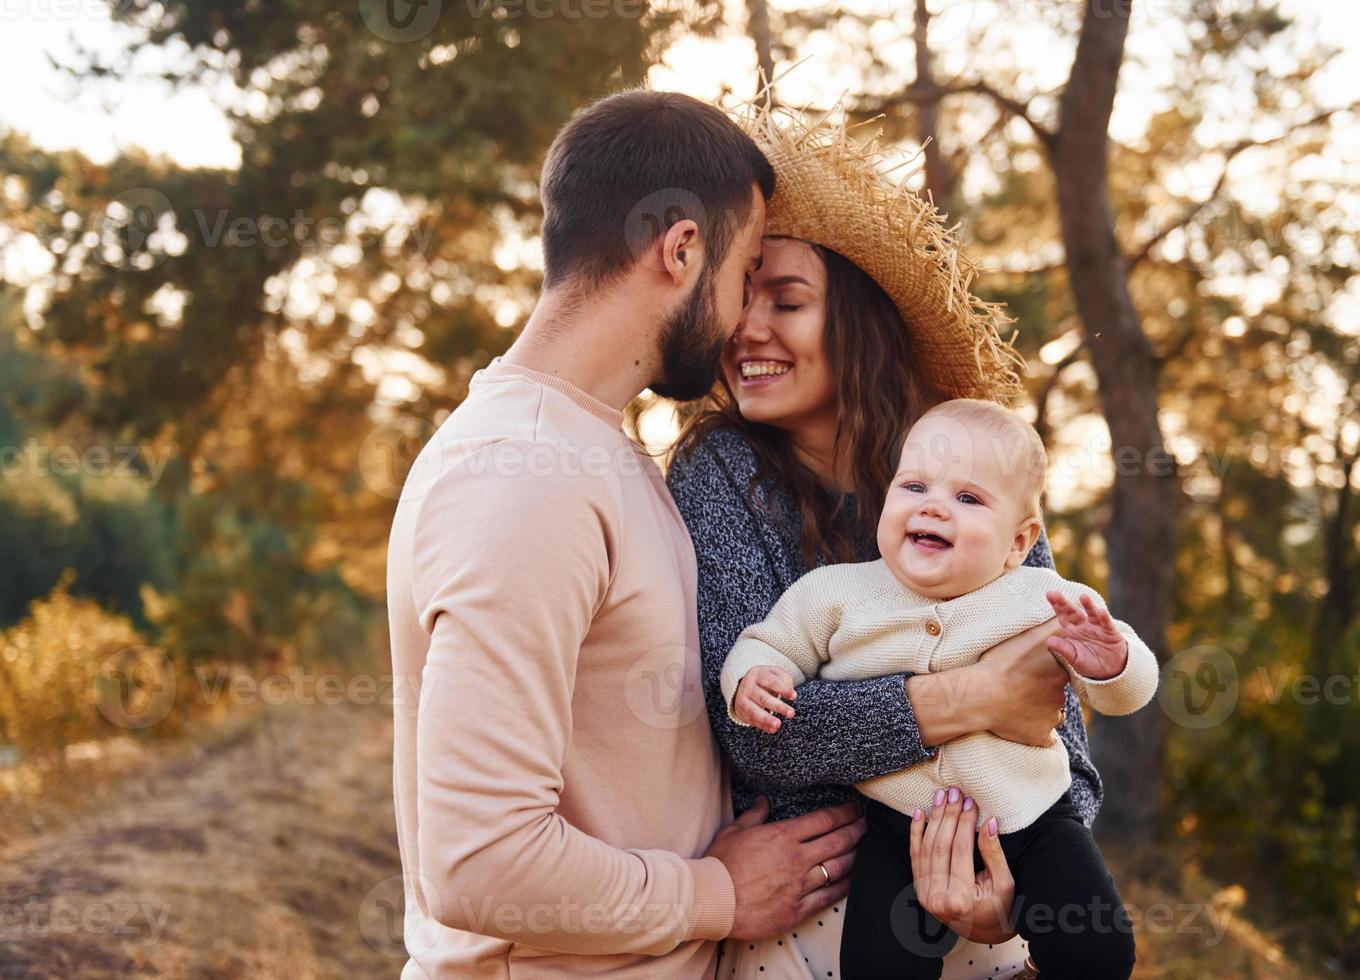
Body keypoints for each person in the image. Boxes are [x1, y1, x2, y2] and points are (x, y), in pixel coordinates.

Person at [385, 89, 866, 979]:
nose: (738, 316)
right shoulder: (524, 478)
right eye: (744, 269)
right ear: (681, 249)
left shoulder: (593, 452)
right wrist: (716, 896)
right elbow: (477, 862)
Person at [667, 104, 1107, 979]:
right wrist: (978, 694)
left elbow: (1065, 752)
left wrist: (1005, 904)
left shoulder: (975, 476)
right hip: (810, 937)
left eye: (786, 300)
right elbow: (763, 736)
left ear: (857, 321)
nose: (748, 329)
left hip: (984, 925)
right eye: (738, 295)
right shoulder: (720, 475)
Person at [724, 399, 1157, 978]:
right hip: (896, 825)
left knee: (1098, 950)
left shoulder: (1041, 597)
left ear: (1017, 543)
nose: (933, 506)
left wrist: (1114, 663)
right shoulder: (835, 593)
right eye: (915, 486)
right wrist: (754, 678)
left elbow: (1120, 696)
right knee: (877, 964)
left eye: (968, 498)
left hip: (1031, 819)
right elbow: (769, 643)